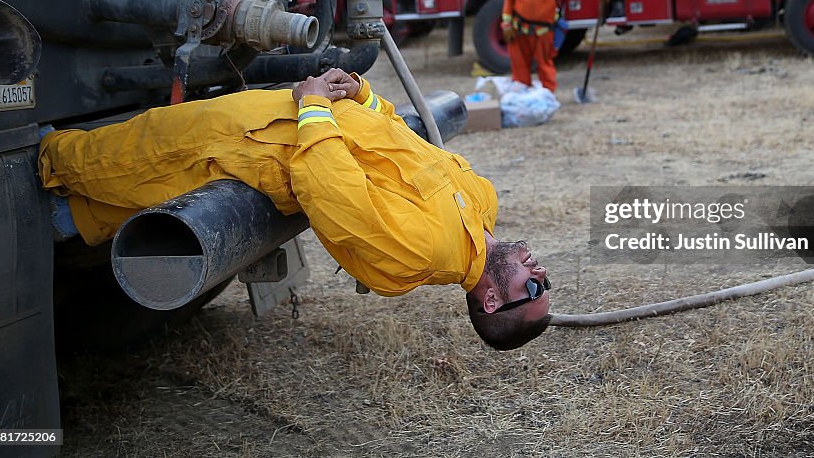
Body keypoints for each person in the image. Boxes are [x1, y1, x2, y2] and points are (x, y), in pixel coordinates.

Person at [39, 68, 551, 351]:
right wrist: (366, 97)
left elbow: (331, 189)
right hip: (302, 114)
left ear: (490, 302)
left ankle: (42, 166)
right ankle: (68, 193)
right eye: (544, 284)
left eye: (532, 290)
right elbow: (404, 145)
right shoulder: (482, 204)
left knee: (142, 151)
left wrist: (311, 108)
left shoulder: (416, 256)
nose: (540, 274)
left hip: (265, 141)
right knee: (145, 151)